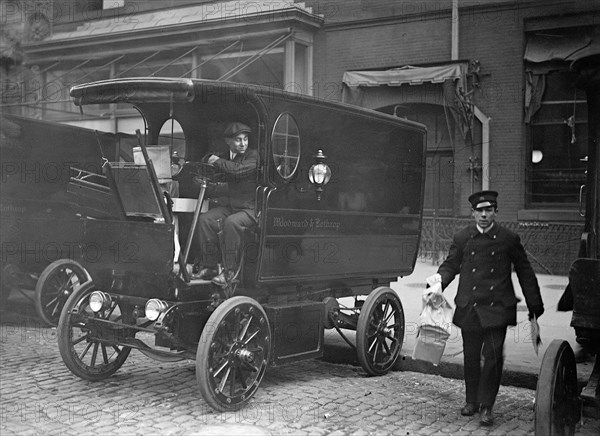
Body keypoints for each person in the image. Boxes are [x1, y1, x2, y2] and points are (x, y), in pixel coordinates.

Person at [426, 190, 544, 426]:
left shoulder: (508, 238)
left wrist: (534, 303)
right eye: (479, 211)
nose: (484, 215)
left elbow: (524, 271)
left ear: (495, 212)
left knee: (492, 357)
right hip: (469, 306)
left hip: (497, 307)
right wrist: (439, 279)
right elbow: (451, 265)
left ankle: (487, 406)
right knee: (470, 356)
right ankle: (471, 400)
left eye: (488, 210)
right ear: (473, 213)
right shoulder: (463, 238)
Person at [195, 122, 258, 286]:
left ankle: (230, 272)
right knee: (206, 220)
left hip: (251, 209)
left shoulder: (253, 156)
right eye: (238, 140)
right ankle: (210, 267)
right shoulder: (226, 155)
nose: (243, 143)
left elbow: (237, 170)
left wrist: (216, 161)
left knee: (231, 223)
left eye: (245, 139)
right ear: (228, 141)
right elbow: (217, 168)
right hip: (233, 207)